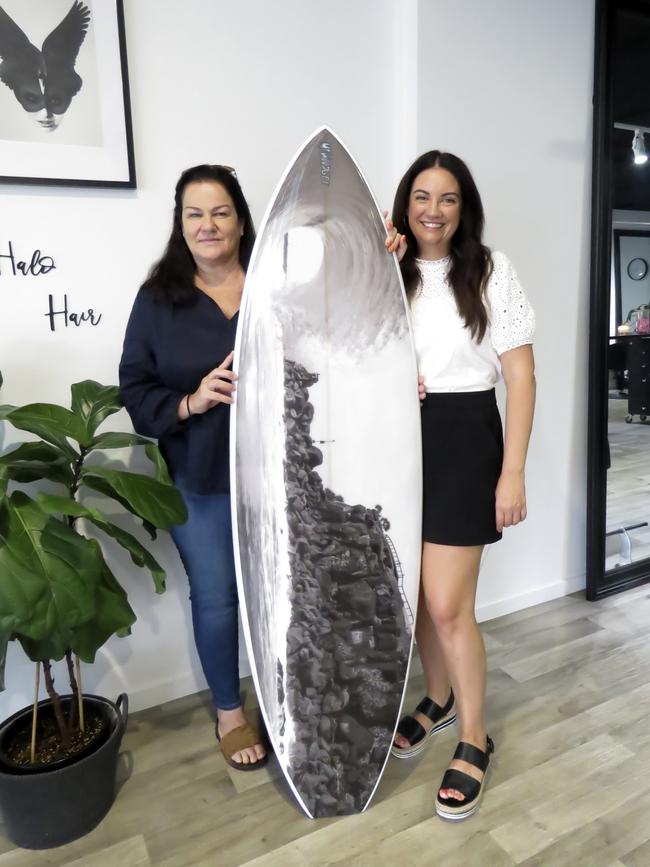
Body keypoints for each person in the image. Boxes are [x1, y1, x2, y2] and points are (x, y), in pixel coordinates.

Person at [385, 151, 536, 819]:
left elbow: (521, 378)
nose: (433, 210)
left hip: (465, 435)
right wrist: (372, 260)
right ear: (404, 202)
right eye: (422, 195)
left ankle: (474, 736)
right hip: (394, 436)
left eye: (448, 198)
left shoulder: (490, 268)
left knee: (449, 605)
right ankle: (437, 697)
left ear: (463, 205)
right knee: (416, 594)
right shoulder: (384, 268)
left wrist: (512, 470)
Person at [119, 164, 268, 771]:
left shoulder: (272, 284)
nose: (208, 225)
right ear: (180, 226)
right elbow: (133, 385)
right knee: (216, 597)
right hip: (198, 477)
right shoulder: (159, 299)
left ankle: (289, 698)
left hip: (278, 474)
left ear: (240, 220)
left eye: (220, 212)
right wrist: (190, 401)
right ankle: (230, 713)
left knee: (280, 589)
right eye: (194, 214)